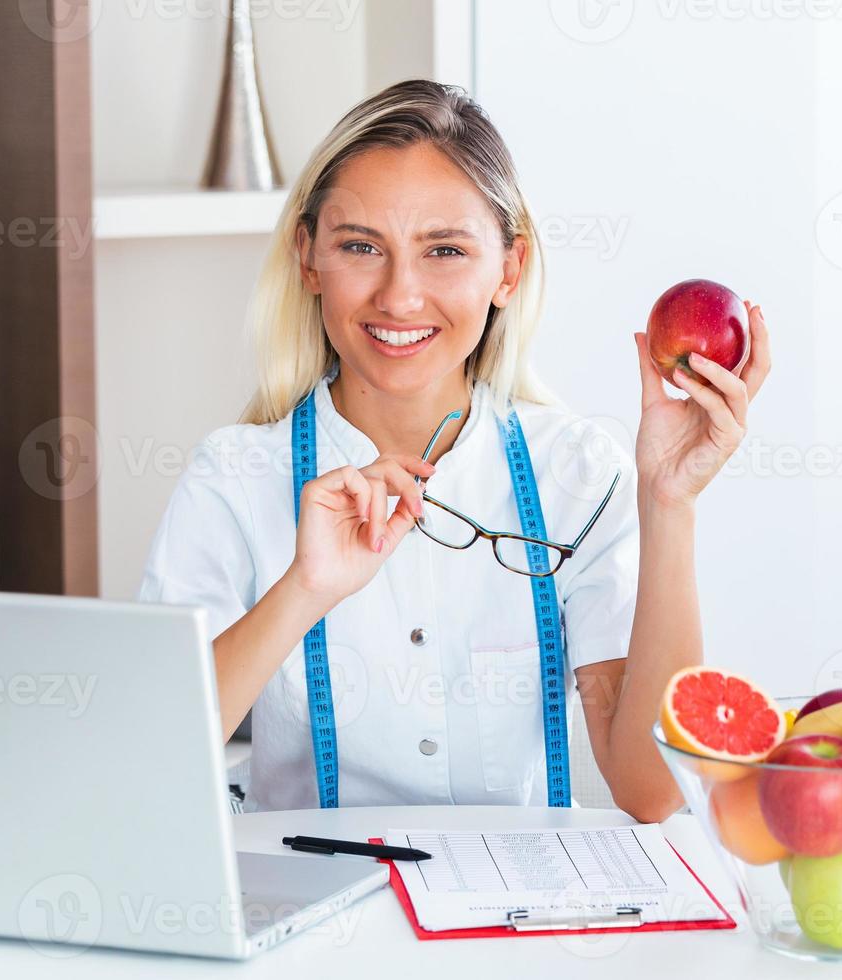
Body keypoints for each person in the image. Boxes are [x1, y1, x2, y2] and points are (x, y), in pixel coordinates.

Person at [139, 80, 771, 819]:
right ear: (308, 258)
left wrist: (669, 504)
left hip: (517, 921)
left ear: (509, 269)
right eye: (360, 246)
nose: (399, 296)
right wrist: (304, 588)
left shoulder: (578, 476)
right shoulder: (236, 478)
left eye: (444, 250)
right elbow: (154, 761)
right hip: (307, 918)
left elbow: (651, 790)